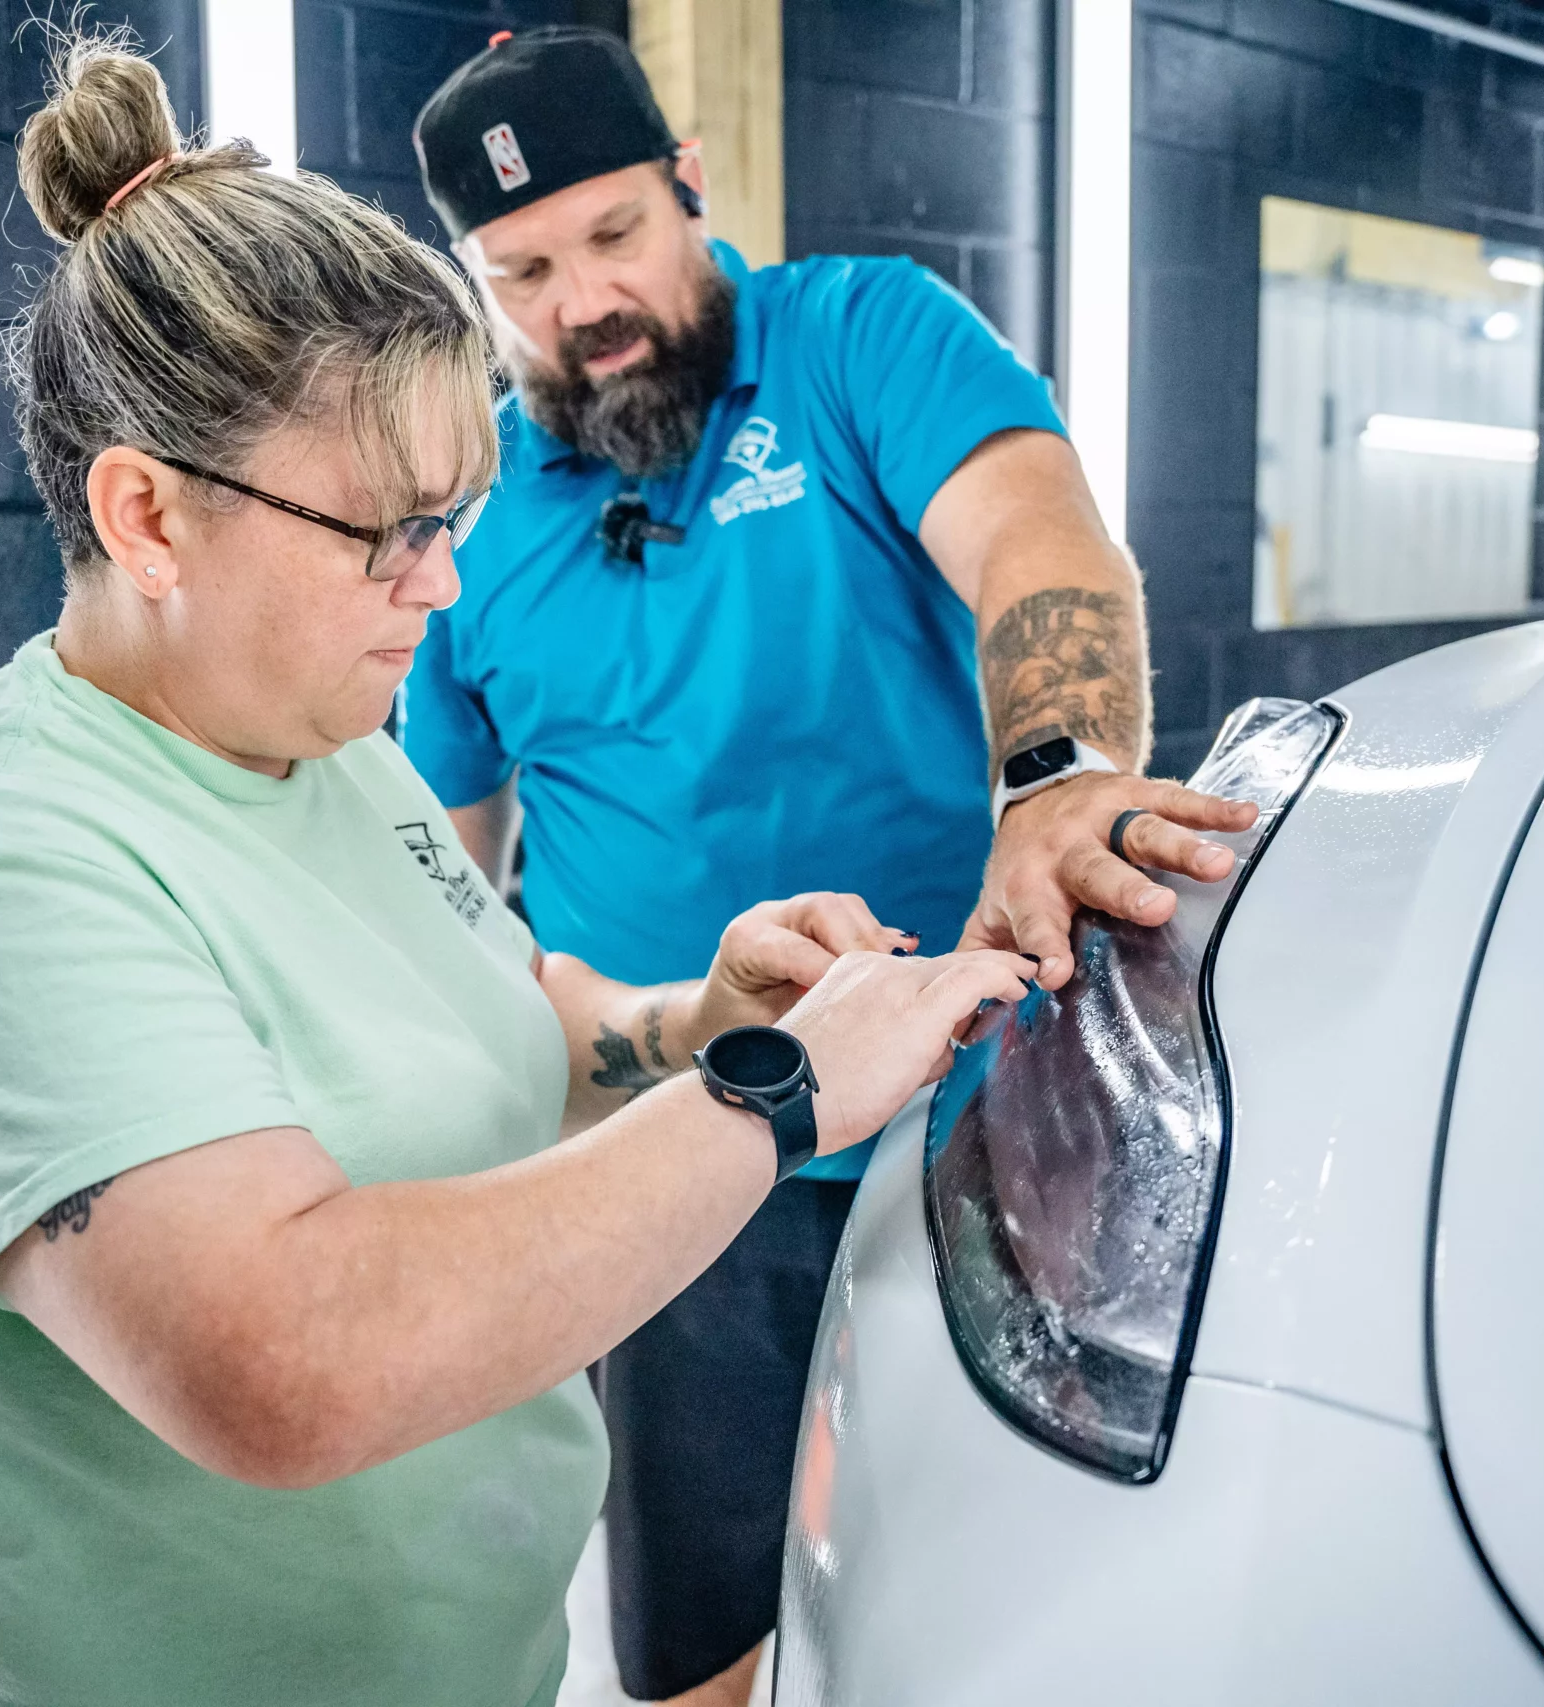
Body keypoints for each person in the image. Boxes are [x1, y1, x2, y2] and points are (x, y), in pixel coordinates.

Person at [0, 31, 1032, 1707]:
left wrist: (695, 1013)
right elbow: (291, 1358)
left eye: (457, 523)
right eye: (393, 534)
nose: (445, 594)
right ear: (148, 518)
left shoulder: (333, 757)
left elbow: (513, 1025)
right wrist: (780, 1085)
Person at [405, 29, 1257, 1704]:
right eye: (521, 271)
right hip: (678, 1177)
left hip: (979, 1127)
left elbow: (1035, 535)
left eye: (613, 235)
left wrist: (1059, 779)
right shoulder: (471, 511)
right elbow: (425, 866)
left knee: (1011, 1620)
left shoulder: (862, 334)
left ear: (692, 188)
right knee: (704, 1654)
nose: (583, 300)